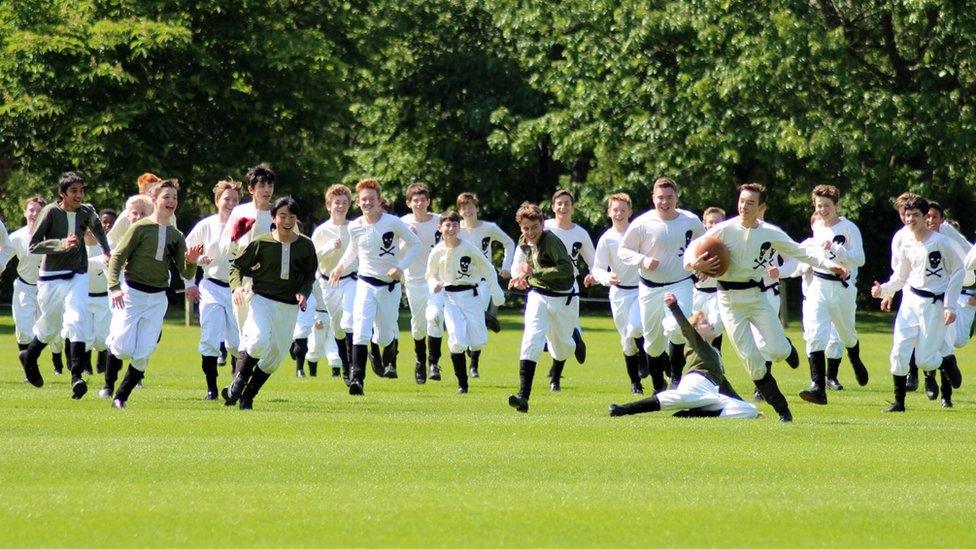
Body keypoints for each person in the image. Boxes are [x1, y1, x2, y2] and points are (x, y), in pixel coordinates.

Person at [684, 183, 848, 422]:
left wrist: (831, 265)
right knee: (753, 363)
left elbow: (802, 252)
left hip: (757, 297)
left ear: (761, 207)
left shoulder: (769, 232)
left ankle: (788, 348)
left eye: (751, 203)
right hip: (729, 301)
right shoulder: (723, 229)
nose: (744, 206)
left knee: (777, 350)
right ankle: (783, 410)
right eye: (741, 201)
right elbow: (692, 250)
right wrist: (694, 264)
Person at [103, 179, 202, 408]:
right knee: (122, 347)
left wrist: (192, 262)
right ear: (155, 200)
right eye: (166, 196)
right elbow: (118, 256)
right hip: (132, 294)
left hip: (158, 298)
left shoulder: (176, 235)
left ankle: (120, 397)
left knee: (144, 352)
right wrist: (114, 287)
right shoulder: (140, 227)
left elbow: (183, 269)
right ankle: (109, 372)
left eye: (175, 197)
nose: (171, 201)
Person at [21, 172, 112, 398]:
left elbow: (97, 227)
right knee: (51, 327)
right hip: (51, 278)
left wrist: (106, 250)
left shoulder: (86, 212)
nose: (79, 195)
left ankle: (76, 377)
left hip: (78, 275)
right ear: (62, 193)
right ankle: (30, 356)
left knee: (77, 319)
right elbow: (33, 246)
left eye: (81, 190)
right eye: (74, 191)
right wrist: (62, 244)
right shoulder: (51, 212)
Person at [221, 197, 317, 409]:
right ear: (274, 218)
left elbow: (310, 275)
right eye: (282, 216)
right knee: (257, 340)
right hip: (261, 300)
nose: (287, 220)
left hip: (289, 307)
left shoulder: (306, 245)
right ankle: (238, 383)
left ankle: (248, 396)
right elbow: (236, 267)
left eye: (292, 216)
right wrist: (236, 288)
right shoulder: (261, 242)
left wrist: (303, 292)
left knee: (275, 358)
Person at [872, 194, 964, 412]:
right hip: (910, 302)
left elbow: (959, 270)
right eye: (907, 215)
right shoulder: (906, 242)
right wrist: (883, 290)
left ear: (925, 217)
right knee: (899, 352)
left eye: (915, 215)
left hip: (933, 306)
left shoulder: (941, 242)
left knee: (925, 360)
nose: (910, 219)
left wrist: (950, 306)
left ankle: (946, 362)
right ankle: (899, 403)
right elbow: (901, 276)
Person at [329, 179, 421, 396]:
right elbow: (353, 250)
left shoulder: (392, 222)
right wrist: (340, 267)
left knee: (384, 336)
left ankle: (385, 348)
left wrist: (400, 267)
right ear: (358, 202)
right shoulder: (355, 226)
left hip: (389, 287)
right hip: (365, 283)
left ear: (379, 201)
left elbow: (415, 244)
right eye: (363, 199)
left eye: (371, 199)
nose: (367, 202)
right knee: (360, 331)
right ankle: (357, 380)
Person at [609, 292, 759, 418]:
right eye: (705, 322)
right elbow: (685, 327)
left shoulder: (714, 352)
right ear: (696, 330)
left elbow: (724, 384)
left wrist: (742, 403)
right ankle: (623, 409)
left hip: (711, 392)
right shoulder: (696, 342)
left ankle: (696, 414)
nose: (710, 323)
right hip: (696, 385)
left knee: (750, 410)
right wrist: (673, 306)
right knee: (667, 400)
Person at [619, 178, 704, 392]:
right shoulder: (642, 223)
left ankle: (676, 379)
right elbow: (624, 250)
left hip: (680, 283)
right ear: (653, 198)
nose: (665, 202)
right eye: (660, 198)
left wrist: (701, 265)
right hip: (649, 287)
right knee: (653, 341)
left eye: (669, 197)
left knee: (677, 327)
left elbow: (705, 245)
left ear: (677, 197)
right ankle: (658, 385)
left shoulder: (691, 220)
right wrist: (643, 260)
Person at [797, 185, 868, 405]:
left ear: (836, 205)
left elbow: (860, 259)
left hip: (842, 288)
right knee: (815, 333)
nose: (823, 210)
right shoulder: (817, 226)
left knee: (847, 334)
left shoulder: (849, 228)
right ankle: (818, 386)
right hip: (818, 285)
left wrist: (838, 251)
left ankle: (854, 357)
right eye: (819, 206)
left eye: (827, 205)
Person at [506, 202, 576, 413]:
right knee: (531, 339)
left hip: (563, 298)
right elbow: (520, 265)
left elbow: (567, 270)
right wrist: (518, 277)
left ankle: (575, 338)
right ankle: (523, 397)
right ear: (521, 228)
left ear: (542, 224)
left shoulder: (551, 241)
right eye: (526, 228)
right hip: (538, 295)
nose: (531, 232)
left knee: (561, 349)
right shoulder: (523, 241)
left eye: (534, 227)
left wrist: (533, 273)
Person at [426, 210, 504, 393]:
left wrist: (497, 293)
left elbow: (488, 269)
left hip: (471, 297)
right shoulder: (436, 252)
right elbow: (430, 275)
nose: (451, 228)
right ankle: (462, 384)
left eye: (454, 225)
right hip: (450, 299)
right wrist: (434, 284)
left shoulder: (469, 248)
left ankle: (484, 318)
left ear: (459, 227)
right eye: (447, 225)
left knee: (478, 342)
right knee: (457, 342)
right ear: (440, 228)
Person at [183, 179, 242, 399]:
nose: (231, 203)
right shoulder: (206, 226)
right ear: (217, 200)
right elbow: (186, 255)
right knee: (209, 338)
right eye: (227, 199)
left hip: (238, 290)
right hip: (212, 286)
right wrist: (197, 263)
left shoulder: (246, 225)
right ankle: (212, 389)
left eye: (236, 200)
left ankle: (236, 384)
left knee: (237, 343)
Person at [591, 193, 645, 394]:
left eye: (623, 210)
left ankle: (647, 360)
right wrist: (606, 278)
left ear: (630, 211)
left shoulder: (639, 233)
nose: (619, 213)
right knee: (627, 341)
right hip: (619, 295)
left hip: (641, 291)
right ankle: (635, 383)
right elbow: (597, 268)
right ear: (608, 212)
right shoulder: (607, 239)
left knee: (636, 327)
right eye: (615, 210)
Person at [5, 197, 66, 375]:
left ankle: (57, 361)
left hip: (48, 288)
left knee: (54, 333)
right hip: (24, 286)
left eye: (38, 210)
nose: (34, 214)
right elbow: (4, 257)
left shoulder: (52, 236)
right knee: (24, 330)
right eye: (31, 210)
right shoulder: (16, 237)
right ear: (25, 212)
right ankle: (29, 370)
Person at [457, 192, 515, 378]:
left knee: (475, 319)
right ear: (459, 210)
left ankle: (473, 365)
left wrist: (507, 267)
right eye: (464, 207)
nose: (468, 210)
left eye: (471, 206)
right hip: (460, 283)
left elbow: (509, 242)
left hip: (482, 281)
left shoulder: (489, 228)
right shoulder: (455, 229)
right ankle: (487, 318)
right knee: (465, 321)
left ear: (477, 208)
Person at [541, 189, 595, 389]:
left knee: (561, 336)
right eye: (559, 203)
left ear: (572, 207)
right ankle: (573, 335)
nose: (563, 207)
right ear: (553, 206)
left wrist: (593, 275)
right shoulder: (543, 228)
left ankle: (555, 378)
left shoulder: (580, 233)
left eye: (567, 203)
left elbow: (594, 261)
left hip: (567, 288)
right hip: (542, 285)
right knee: (543, 330)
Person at [219, 165, 276, 348]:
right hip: (243, 280)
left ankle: (247, 373)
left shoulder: (279, 214)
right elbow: (225, 249)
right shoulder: (240, 212)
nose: (267, 190)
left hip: (270, 281)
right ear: (251, 189)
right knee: (244, 333)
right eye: (262, 186)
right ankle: (240, 374)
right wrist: (236, 238)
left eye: (270, 185)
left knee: (262, 334)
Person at [925, 201, 973, 408]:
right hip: (924, 298)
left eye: (934, 216)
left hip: (947, 297)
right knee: (926, 339)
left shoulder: (947, 237)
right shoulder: (912, 237)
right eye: (926, 216)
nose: (930, 220)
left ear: (942, 219)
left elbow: (970, 254)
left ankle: (946, 395)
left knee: (947, 343)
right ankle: (927, 377)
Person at [310, 184, 356, 383]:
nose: (341, 206)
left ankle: (355, 366)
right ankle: (345, 366)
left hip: (352, 280)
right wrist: (329, 247)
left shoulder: (355, 228)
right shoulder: (321, 231)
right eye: (337, 202)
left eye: (345, 202)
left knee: (349, 320)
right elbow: (312, 258)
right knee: (337, 327)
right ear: (329, 205)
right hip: (328, 283)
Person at [400, 182, 444, 383]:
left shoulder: (439, 221)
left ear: (429, 201)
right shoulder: (402, 223)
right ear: (409, 203)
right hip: (414, 281)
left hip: (436, 280)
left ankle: (434, 363)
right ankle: (420, 361)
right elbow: (396, 252)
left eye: (422, 200)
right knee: (418, 326)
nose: (419, 203)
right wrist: (406, 239)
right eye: (415, 200)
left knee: (434, 317)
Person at [692, 207, 726, 352]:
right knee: (695, 330)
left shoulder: (727, 245)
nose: (714, 226)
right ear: (704, 223)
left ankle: (716, 365)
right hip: (697, 293)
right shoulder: (695, 245)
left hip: (717, 292)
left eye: (718, 222)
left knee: (715, 326)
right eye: (710, 222)